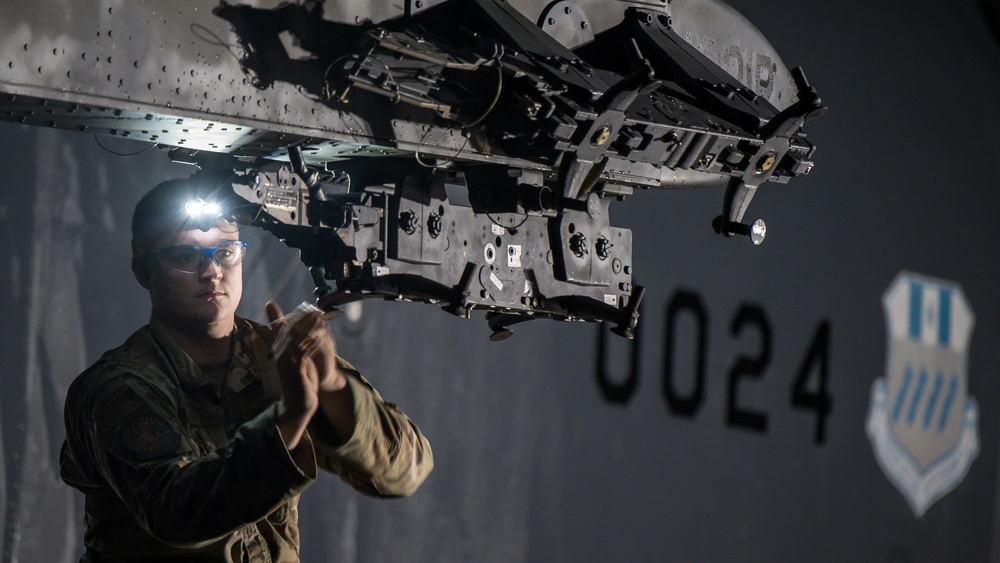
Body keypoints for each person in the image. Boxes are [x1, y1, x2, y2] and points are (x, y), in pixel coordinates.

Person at [59, 177, 433, 562]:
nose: (212, 272)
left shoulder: (277, 356)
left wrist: (334, 387)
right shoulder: (117, 386)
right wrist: (287, 419)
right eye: (186, 257)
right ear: (143, 270)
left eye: (226, 253)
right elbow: (176, 511)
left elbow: (405, 469)